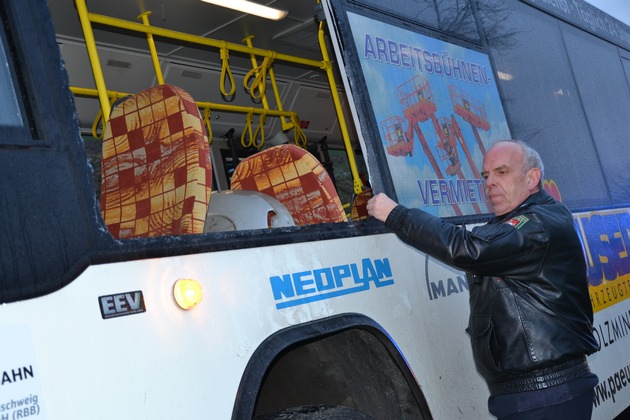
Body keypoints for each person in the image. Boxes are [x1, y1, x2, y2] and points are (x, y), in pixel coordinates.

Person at [366, 140, 599, 419]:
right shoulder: (519, 222)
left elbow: (471, 248)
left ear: (532, 178)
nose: (490, 183)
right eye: (486, 176)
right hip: (533, 395)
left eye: (502, 172)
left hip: (546, 395)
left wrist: (396, 215)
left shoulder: (536, 223)